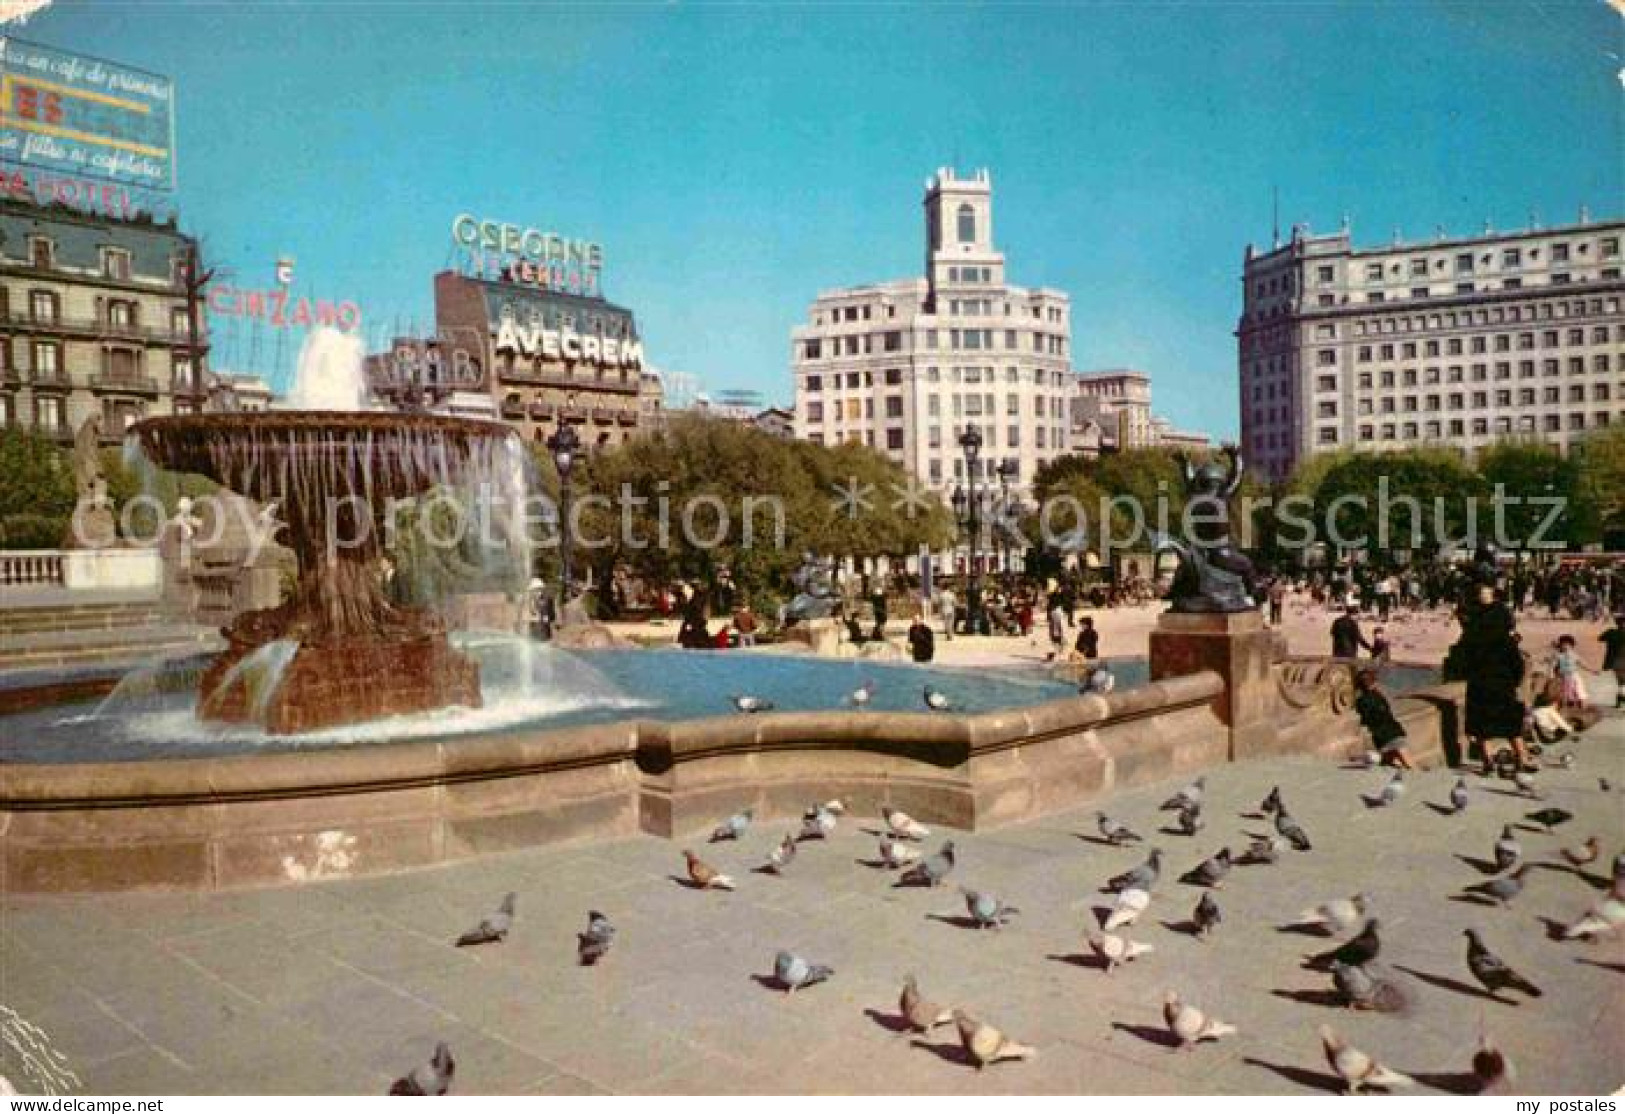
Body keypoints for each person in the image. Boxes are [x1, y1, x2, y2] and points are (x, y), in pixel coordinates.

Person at [1352, 669, 1414, 769]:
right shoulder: (1379, 696)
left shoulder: (1361, 701)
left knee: (1393, 763)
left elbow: (1365, 720)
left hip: (1380, 737)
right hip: (1392, 733)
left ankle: (1364, 758)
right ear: (1374, 682)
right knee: (1407, 764)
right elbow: (1385, 714)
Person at [1601, 614, 1625, 710]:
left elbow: (1600, 638)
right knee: (1622, 683)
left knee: (1621, 683)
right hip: (1619, 661)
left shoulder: (1611, 633)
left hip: (1616, 661)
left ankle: (1619, 702)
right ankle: (1620, 702)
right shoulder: (1612, 633)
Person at [524, 577, 555, 642]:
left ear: (537, 589)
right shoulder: (536, 599)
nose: (531, 593)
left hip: (543, 632)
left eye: (532, 591)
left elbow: (548, 617)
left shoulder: (546, 599)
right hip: (537, 630)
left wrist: (536, 618)